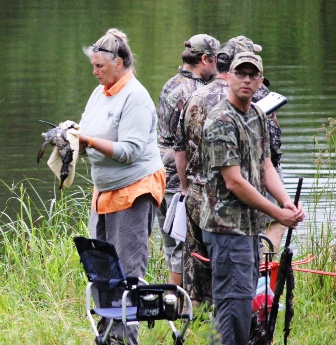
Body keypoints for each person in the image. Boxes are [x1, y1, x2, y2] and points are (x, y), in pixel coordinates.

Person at [200, 51, 305, 345]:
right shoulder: (220, 120)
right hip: (226, 229)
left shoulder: (258, 114)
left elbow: (265, 164)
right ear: (229, 77)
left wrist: (287, 204)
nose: (246, 80)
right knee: (232, 310)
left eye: (252, 75)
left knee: (244, 305)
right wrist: (277, 213)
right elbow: (234, 182)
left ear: (260, 80)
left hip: (249, 228)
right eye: (240, 74)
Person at [174, 35, 280, 308]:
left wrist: (186, 188)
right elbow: (272, 152)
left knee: (197, 263)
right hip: (234, 199)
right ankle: (233, 316)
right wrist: (280, 206)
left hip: (197, 191)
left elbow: (180, 148)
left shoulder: (194, 96)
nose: (246, 79)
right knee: (237, 273)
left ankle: (195, 312)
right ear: (232, 71)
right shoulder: (255, 101)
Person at [78, 28, 165, 345]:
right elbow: (86, 130)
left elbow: (129, 151)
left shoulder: (136, 97)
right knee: (102, 270)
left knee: (127, 272)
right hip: (104, 193)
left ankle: (125, 339)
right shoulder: (100, 92)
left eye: (100, 66)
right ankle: (107, 335)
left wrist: (86, 140)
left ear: (119, 62)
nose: (94, 71)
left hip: (134, 190)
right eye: (94, 65)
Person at [156, 34, 220, 287]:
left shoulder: (171, 83)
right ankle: (181, 308)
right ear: (205, 59)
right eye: (216, 60)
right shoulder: (195, 92)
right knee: (185, 251)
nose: (218, 66)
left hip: (160, 175)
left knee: (173, 249)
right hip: (178, 181)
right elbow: (188, 144)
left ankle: (175, 309)